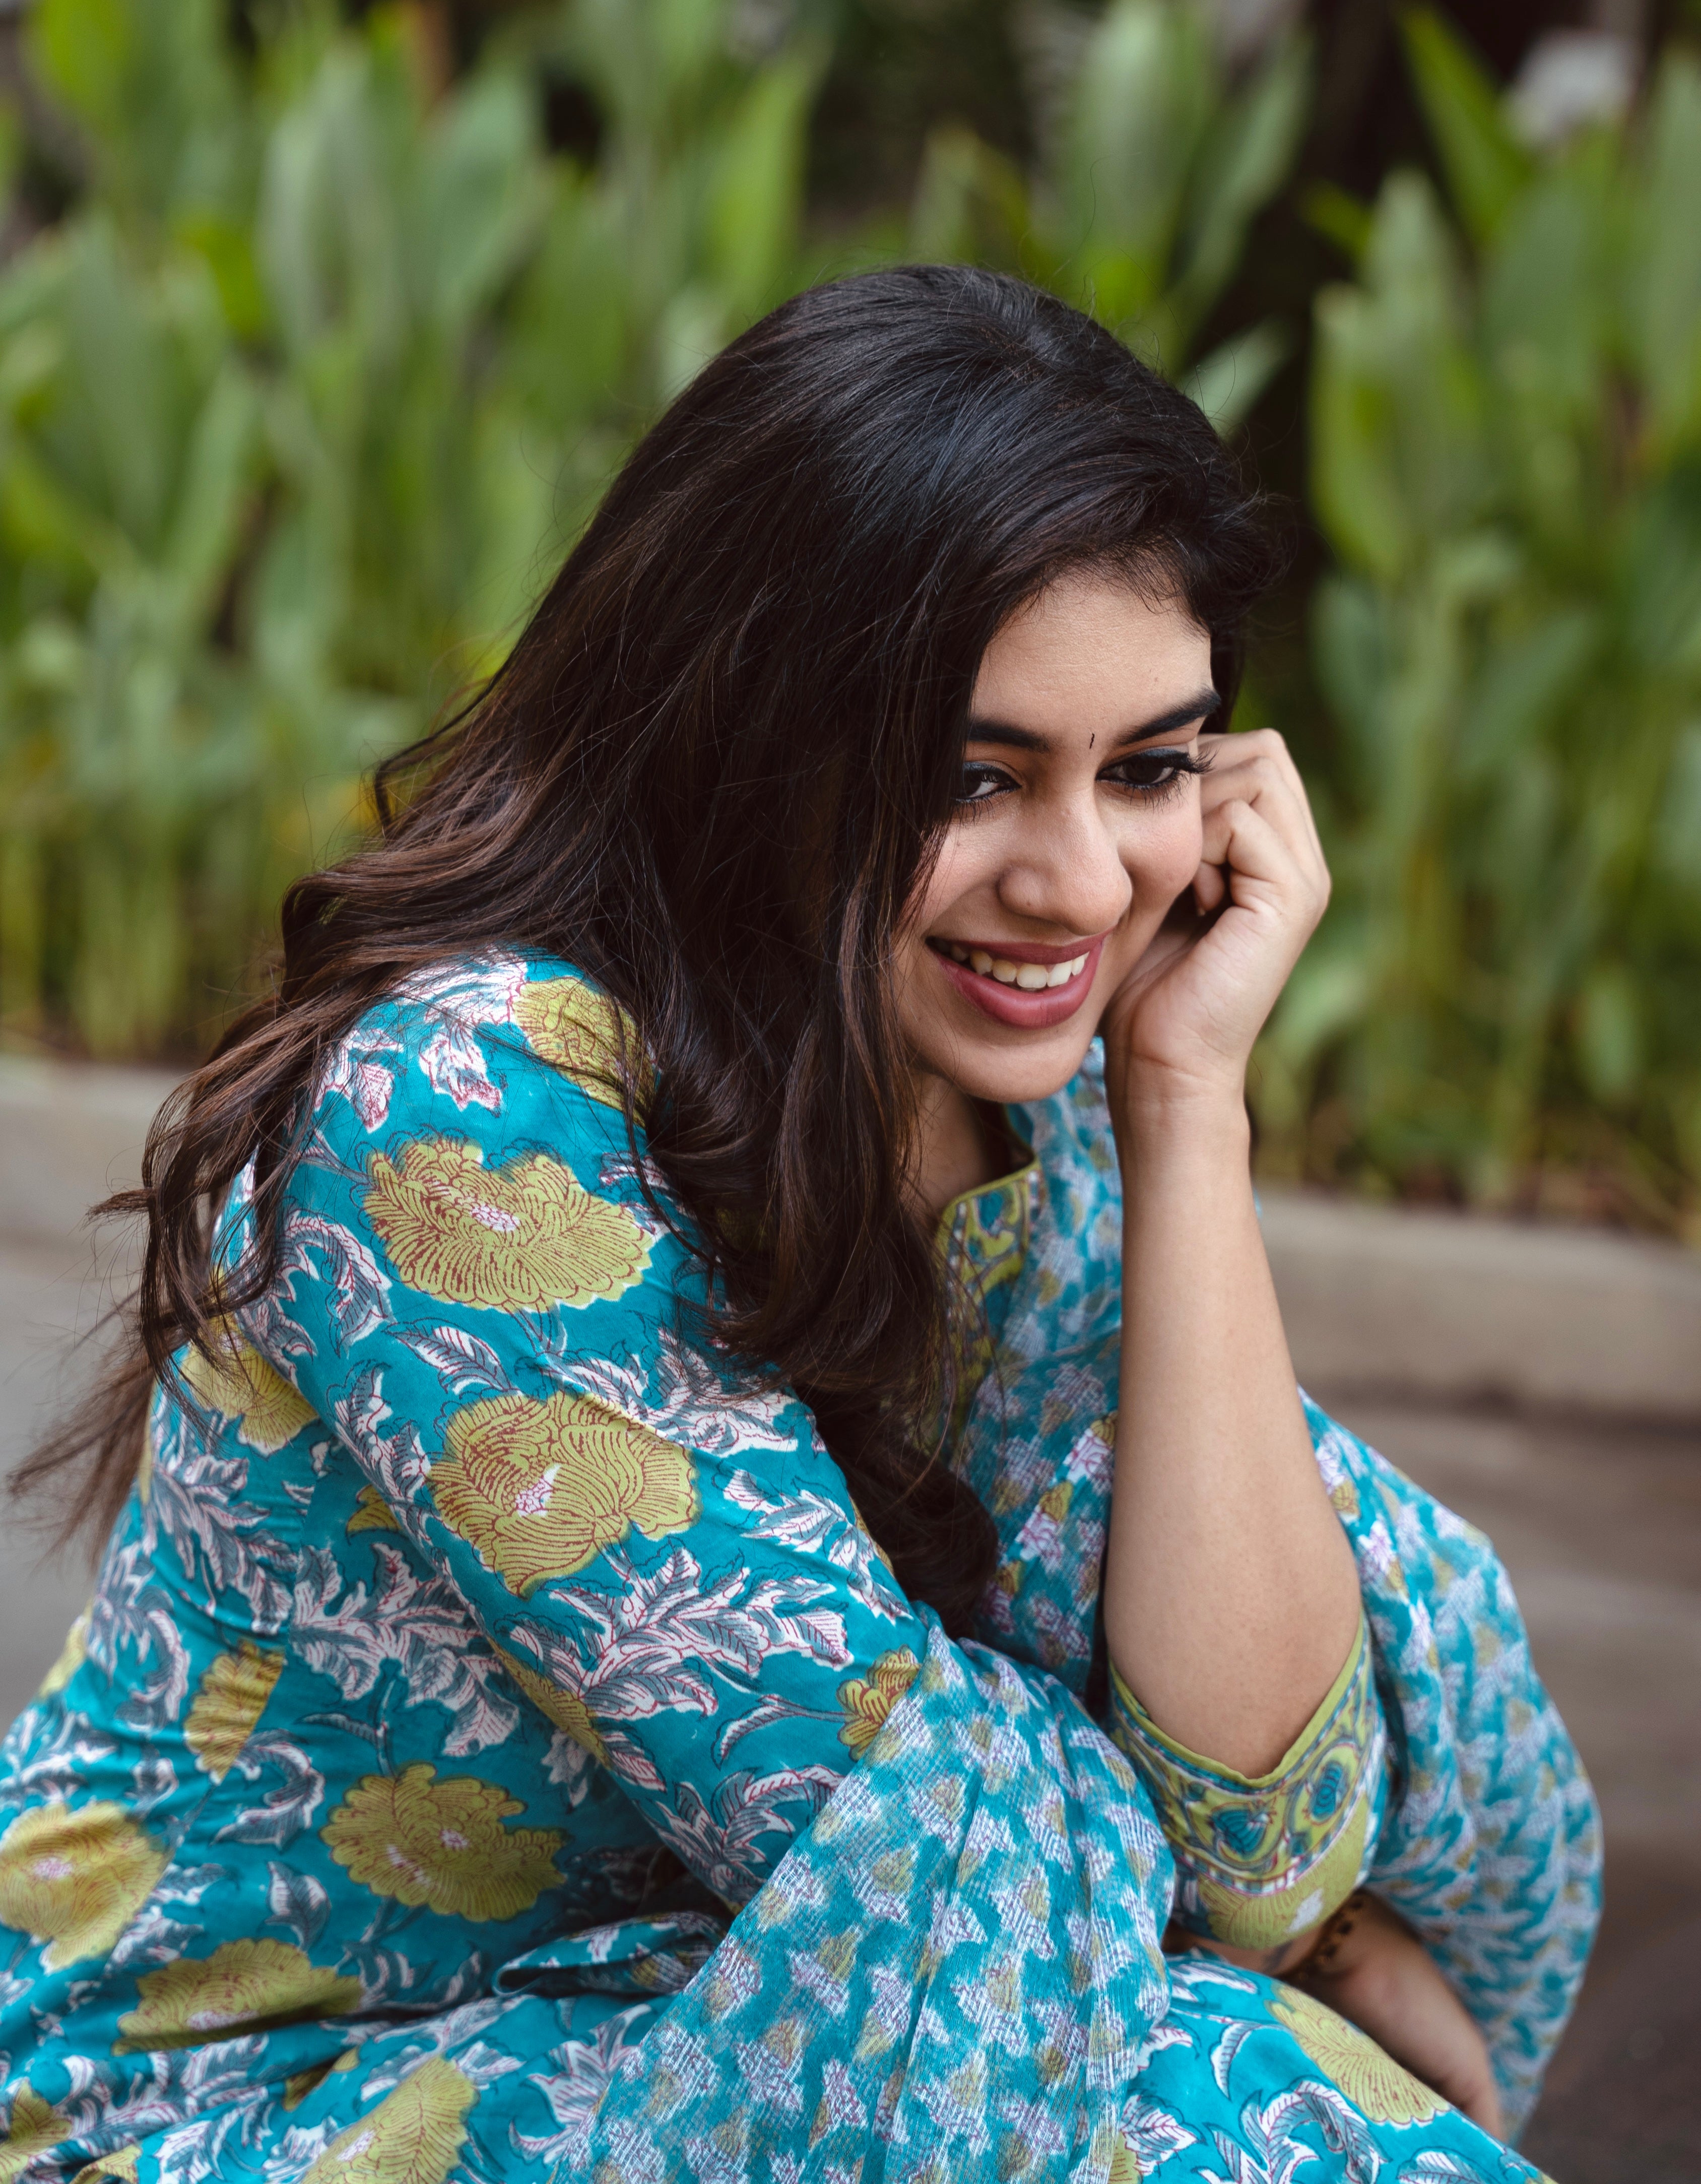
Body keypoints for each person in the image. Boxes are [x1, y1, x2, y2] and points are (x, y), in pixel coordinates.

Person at [0, 269, 1597, 2184]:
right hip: (219, 2110)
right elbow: (912, 1870)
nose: (1082, 883)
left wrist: (1189, 1110)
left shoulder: (1030, 1101)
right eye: (974, 776)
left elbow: (1263, 1837)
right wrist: (1307, 1953)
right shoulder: (463, 1114)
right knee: (1200, 2104)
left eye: (1150, 768)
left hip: (683, 2018)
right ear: (751, 731)